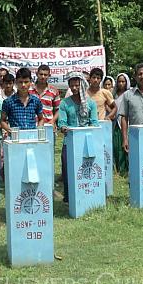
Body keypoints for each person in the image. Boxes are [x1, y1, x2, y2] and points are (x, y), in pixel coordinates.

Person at [58, 71, 99, 204]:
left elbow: (94, 123)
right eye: (72, 85)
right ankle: (69, 198)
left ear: (82, 85)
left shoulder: (90, 103)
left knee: (85, 169)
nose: (75, 88)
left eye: (77, 85)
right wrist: (64, 128)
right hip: (69, 142)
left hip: (86, 142)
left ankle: (87, 195)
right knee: (67, 168)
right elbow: (62, 123)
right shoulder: (65, 103)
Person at [0, 68, 45, 132]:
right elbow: (2, 121)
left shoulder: (36, 101)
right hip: (15, 138)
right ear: (16, 82)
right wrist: (9, 130)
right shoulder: (8, 102)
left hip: (32, 137)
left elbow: (41, 119)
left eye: (26, 82)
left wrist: (39, 129)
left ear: (31, 82)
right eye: (20, 82)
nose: (23, 85)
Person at [29, 65, 61, 130]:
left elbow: (58, 110)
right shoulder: (29, 89)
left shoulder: (54, 91)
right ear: (37, 74)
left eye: (45, 75)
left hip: (48, 125)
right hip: (31, 125)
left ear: (49, 76)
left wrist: (53, 121)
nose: (43, 77)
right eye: (41, 74)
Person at [113, 73, 131, 175]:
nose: (121, 84)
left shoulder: (129, 94)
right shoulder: (114, 94)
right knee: (117, 146)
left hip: (125, 122)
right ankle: (119, 168)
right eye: (119, 81)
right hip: (116, 123)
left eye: (123, 81)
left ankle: (127, 168)